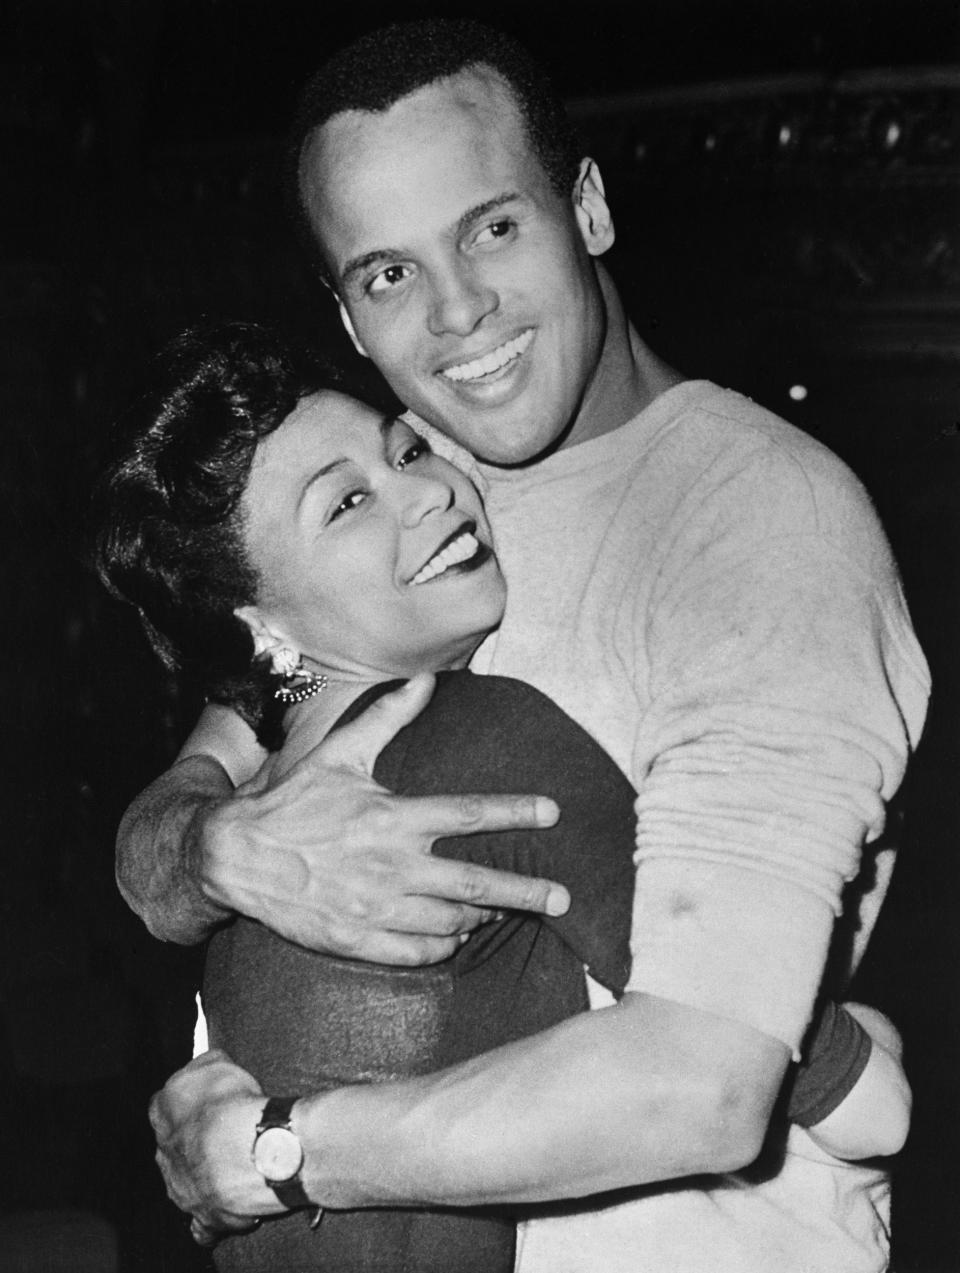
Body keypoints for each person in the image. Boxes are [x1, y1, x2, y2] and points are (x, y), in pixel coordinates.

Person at [127, 18, 929, 1273]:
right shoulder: (405, 479)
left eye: (491, 227)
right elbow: (185, 807)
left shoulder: (760, 523)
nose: (457, 316)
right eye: (387, 273)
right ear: (345, 313)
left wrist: (278, 1151)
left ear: (589, 211)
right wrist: (216, 846)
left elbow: (702, 1087)